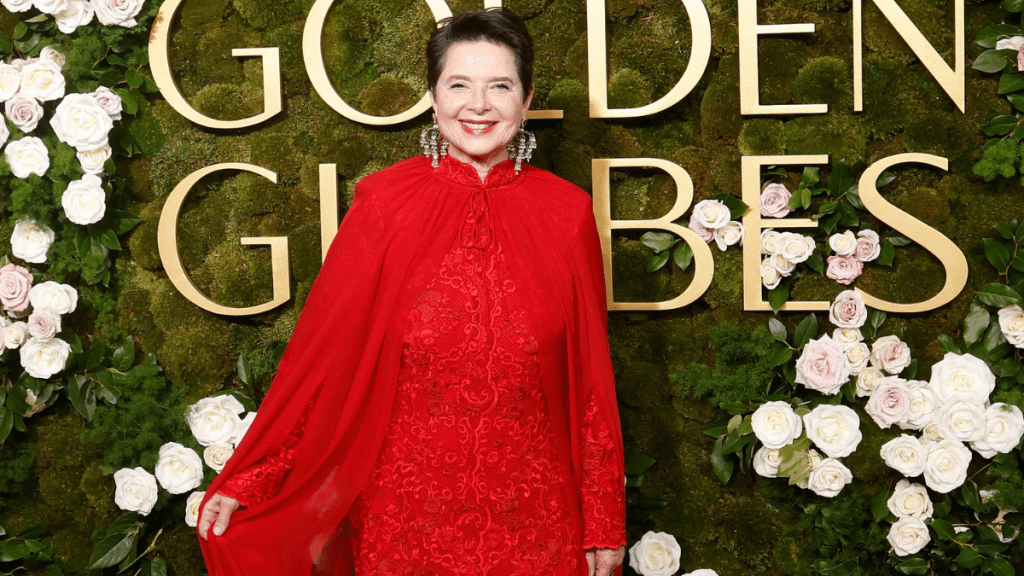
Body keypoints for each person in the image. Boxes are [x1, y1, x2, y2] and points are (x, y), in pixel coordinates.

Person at [196, 8, 626, 576]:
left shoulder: (566, 213)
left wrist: (603, 523)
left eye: (500, 85)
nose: (479, 105)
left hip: (537, 519)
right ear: (432, 96)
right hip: (402, 517)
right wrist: (254, 477)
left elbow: (590, 383)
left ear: (525, 101)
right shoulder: (383, 203)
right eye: (459, 85)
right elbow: (325, 365)